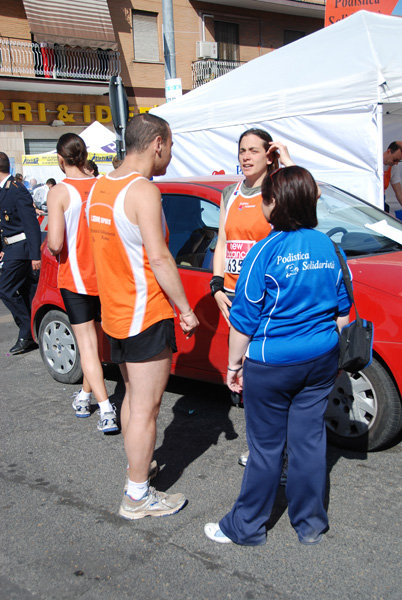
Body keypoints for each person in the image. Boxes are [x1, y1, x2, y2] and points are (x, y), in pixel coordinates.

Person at [204, 166, 352, 546]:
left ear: (274, 203)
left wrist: (233, 367)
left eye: (265, 199)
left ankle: (246, 526)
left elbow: (244, 322)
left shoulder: (264, 251)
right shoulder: (330, 247)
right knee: (309, 443)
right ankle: (311, 525)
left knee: (266, 449)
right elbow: (343, 313)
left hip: (272, 363)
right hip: (321, 359)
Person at [87, 113, 199, 519]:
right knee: (147, 408)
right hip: (145, 311)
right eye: (170, 145)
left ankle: (138, 471)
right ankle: (137, 495)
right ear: (156, 143)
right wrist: (185, 308)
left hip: (116, 313)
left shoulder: (102, 186)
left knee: (134, 400)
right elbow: (159, 256)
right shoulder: (143, 191)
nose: (170, 153)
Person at [209, 128, 294, 468]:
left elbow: (312, 196)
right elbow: (223, 240)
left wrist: (287, 160)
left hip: (268, 294)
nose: (245, 156)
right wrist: (216, 285)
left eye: (253, 151)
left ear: (268, 155)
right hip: (234, 293)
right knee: (245, 375)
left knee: (269, 373)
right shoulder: (229, 192)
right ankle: (263, 447)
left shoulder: (277, 189)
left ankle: (281, 450)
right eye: (242, 150)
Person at [46, 134, 118, 434]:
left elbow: (55, 243)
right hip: (106, 273)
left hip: (76, 276)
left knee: (87, 344)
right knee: (97, 342)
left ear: (60, 160)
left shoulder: (59, 192)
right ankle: (85, 395)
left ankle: (106, 409)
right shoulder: (102, 185)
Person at [0, 152, 41, 354]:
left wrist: (35, 255)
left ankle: (26, 330)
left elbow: (31, 223)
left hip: (22, 249)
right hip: (12, 248)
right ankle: (33, 331)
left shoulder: (16, 190)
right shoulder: (4, 190)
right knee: (27, 291)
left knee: (5, 289)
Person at [383, 141, 402, 210]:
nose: (396, 163)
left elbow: (399, 193)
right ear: (388, 151)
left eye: (399, 161)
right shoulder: (373, 163)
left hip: (382, 201)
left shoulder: (394, 167)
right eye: (395, 159)